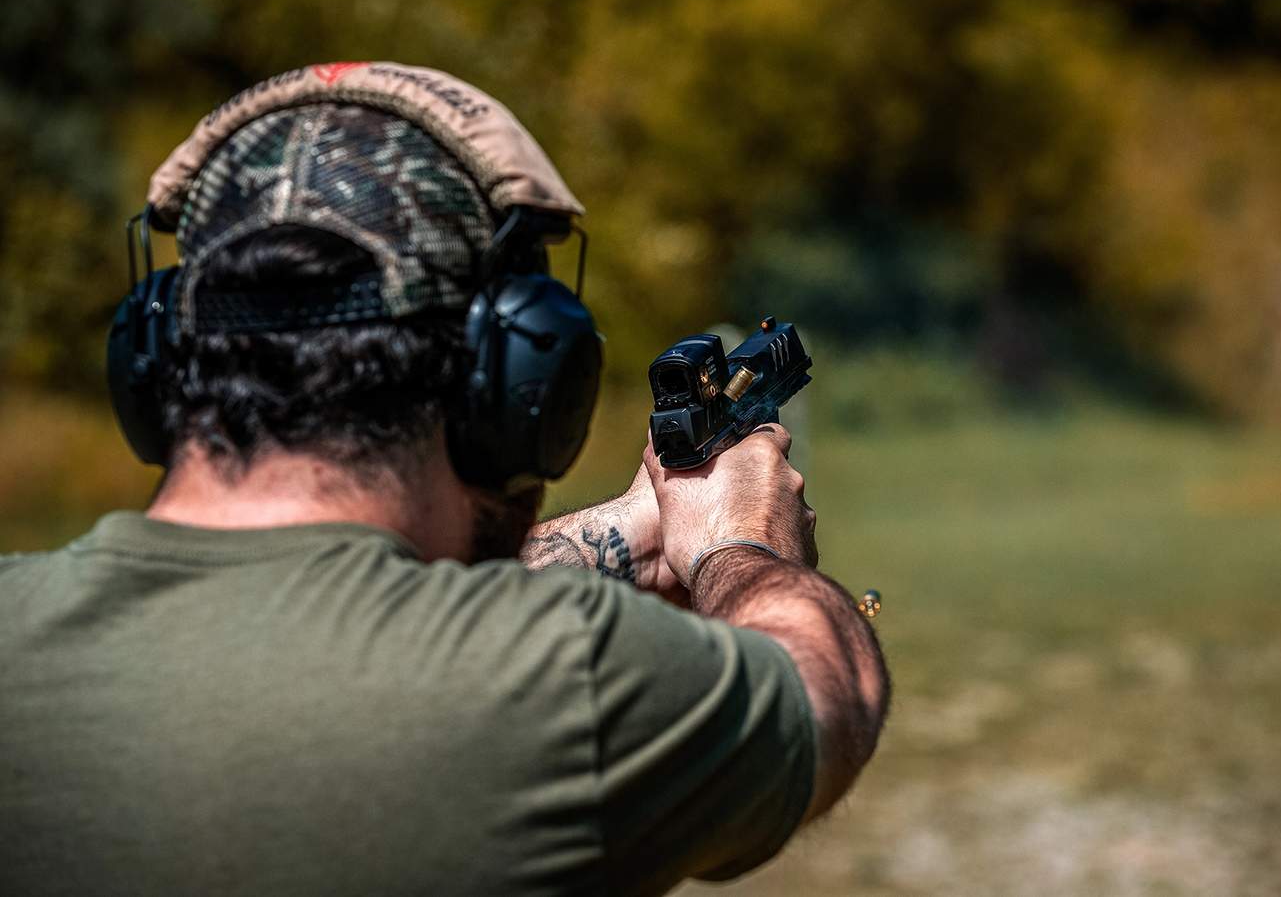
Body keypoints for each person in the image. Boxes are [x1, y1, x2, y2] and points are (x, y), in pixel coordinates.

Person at [0, 63, 888, 896]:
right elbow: (827, 693)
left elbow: (296, 625)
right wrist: (744, 548)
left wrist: (642, 533)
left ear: (153, 365)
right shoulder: (568, 682)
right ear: (512, 389)